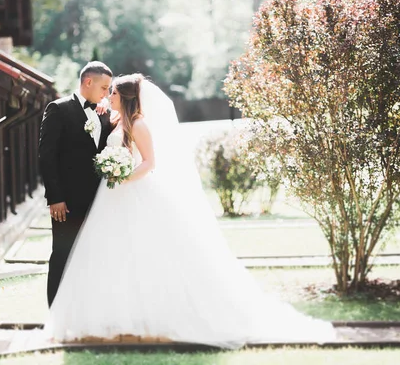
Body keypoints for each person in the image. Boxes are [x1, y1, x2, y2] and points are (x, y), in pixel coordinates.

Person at [43, 73, 337, 348]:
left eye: (115, 91)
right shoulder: (116, 121)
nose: (110, 94)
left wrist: (122, 177)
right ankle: (118, 320)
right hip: (111, 200)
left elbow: (149, 163)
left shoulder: (139, 124)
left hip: (131, 193)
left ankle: (150, 320)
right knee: (113, 256)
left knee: (141, 254)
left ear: (127, 96)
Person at [38, 61, 114, 307]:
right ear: (88, 82)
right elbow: (46, 156)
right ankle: (55, 310)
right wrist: (55, 197)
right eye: (104, 87)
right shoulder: (58, 109)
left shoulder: (104, 113)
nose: (106, 94)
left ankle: (84, 308)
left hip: (99, 201)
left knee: (93, 255)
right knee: (62, 253)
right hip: (67, 202)